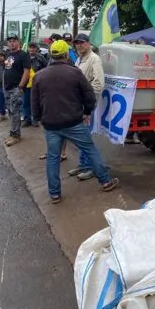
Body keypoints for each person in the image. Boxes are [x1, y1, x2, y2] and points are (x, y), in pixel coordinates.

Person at [31, 40, 119, 203]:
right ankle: (105, 181)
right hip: (74, 122)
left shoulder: (39, 76)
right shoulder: (75, 72)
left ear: (51, 55)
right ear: (66, 54)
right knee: (90, 149)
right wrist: (86, 112)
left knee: (53, 158)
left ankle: (55, 194)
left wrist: (39, 119)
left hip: (51, 124)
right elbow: (89, 96)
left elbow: (34, 102)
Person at [68, 33, 106, 180]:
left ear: (88, 43)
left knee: (86, 137)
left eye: (82, 43)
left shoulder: (94, 59)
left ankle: (91, 167)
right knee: (81, 137)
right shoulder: (79, 59)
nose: (79, 45)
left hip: (86, 105)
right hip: (78, 103)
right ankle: (83, 164)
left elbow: (98, 84)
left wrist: (88, 104)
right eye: (77, 43)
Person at [3, 35, 31, 146]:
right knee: (10, 111)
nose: (11, 43)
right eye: (9, 41)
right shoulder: (8, 55)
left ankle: (15, 135)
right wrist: (4, 85)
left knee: (15, 112)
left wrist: (20, 87)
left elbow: (26, 71)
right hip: (7, 88)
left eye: (14, 41)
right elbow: (6, 70)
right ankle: (13, 132)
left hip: (16, 88)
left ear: (18, 42)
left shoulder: (23, 55)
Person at [22, 42, 47, 127]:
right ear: (28, 48)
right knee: (26, 103)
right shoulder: (24, 57)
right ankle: (27, 119)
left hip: (37, 85)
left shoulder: (41, 58)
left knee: (36, 103)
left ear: (36, 49)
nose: (32, 49)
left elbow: (46, 70)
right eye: (30, 48)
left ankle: (35, 119)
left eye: (33, 48)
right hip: (26, 84)